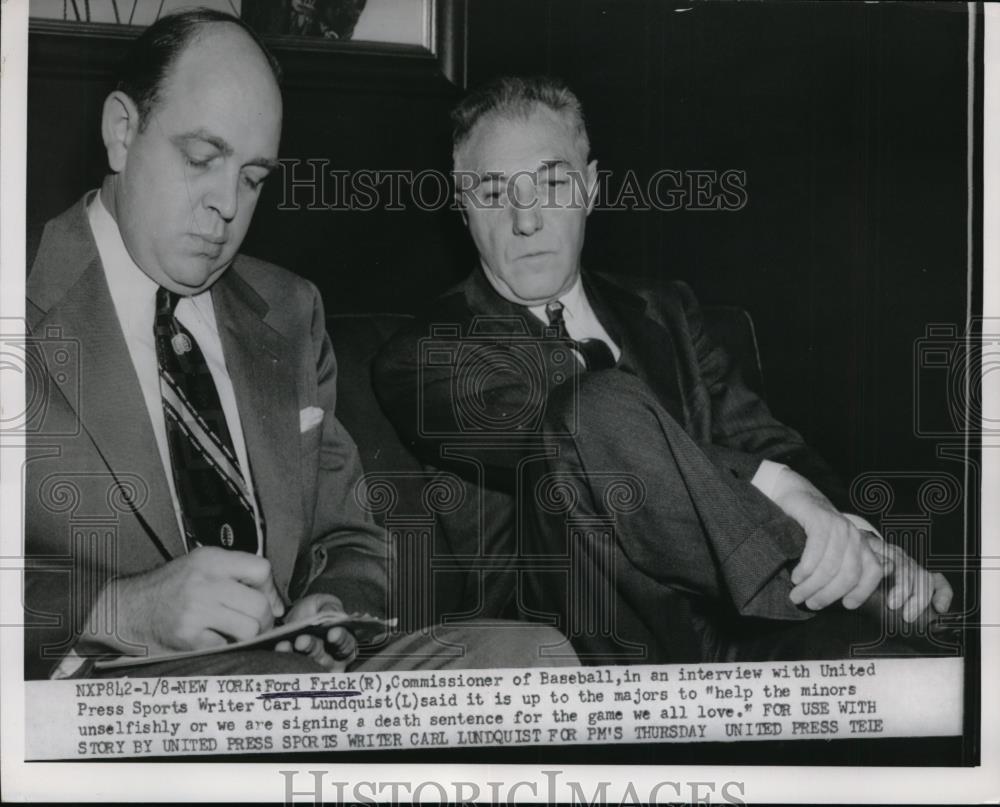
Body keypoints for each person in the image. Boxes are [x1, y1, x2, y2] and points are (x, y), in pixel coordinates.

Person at [23, 13, 572, 680]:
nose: (227, 203)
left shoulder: (289, 309)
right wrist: (120, 611)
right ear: (122, 132)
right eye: (201, 159)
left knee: (531, 658)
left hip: (292, 678)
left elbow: (353, 540)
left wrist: (335, 605)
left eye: (254, 178)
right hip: (113, 688)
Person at [373, 75, 955, 664]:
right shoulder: (427, 353)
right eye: (494, 193)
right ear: (462, 206)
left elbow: (769, 443)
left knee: (930, 669)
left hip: (754, 628)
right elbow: (588, 436)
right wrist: (799, 512)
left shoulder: (669, 311)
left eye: (552, 185)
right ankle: (849, 583)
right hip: (588, 645)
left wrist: (855, 529)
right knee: (591, 405)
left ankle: (863, 591)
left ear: (592, 188)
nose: (527, 221)